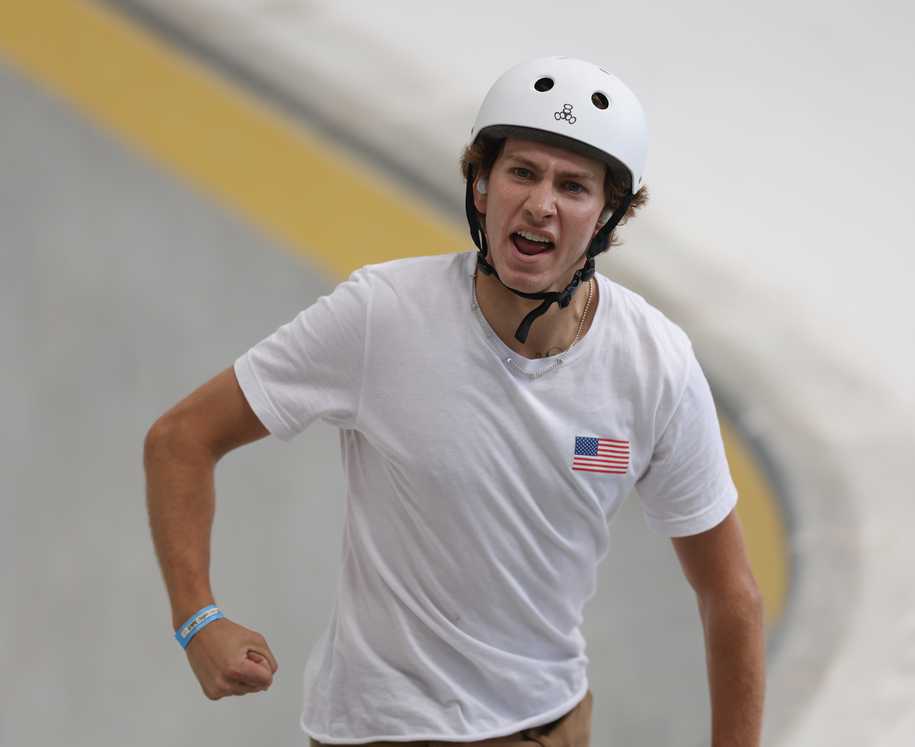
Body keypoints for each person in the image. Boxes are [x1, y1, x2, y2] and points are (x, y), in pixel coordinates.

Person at [144, 56, 765, 746]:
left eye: (573, 186)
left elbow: (731, 595)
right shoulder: (382, 315)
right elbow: (180, 438)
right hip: (381, 730)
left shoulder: (655, 364)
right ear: (480, 186)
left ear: (608, 217)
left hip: (551, 724)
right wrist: (197, 617)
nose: (540, 204)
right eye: (521, 172)